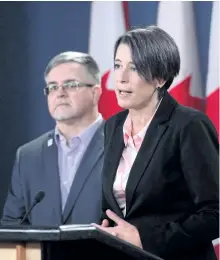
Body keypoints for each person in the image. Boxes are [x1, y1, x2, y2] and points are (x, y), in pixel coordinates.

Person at [93, 26, 219, 260]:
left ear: (160, 78)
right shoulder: (113, 126)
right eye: (118, 65)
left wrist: (145, 239)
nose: (120, 77)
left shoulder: (188, 125)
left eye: (135, 68)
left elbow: (214, 214)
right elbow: (115, 205)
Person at [1, 51, 104, 226]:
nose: (60, 93)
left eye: (71, 85)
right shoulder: (28, 156)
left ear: (95, 93)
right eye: (53, 87)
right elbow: (12, 226)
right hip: (42, 254)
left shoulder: (123, 145)